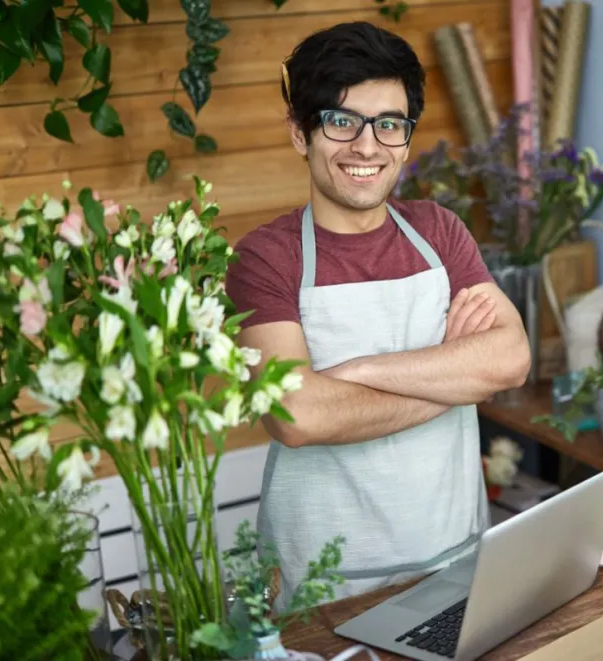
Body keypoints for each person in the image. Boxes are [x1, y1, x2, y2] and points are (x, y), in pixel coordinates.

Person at [224, 21, 532, 612]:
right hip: (321, 585)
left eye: (389, 125)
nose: (368, 147)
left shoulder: (440, 233)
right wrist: (459, 381)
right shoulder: (265, 257)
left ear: (407, 138)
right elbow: (295, 415)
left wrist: (351, 372)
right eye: (342, 122)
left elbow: (511, 359)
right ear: (300, 133)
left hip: (456, 561)